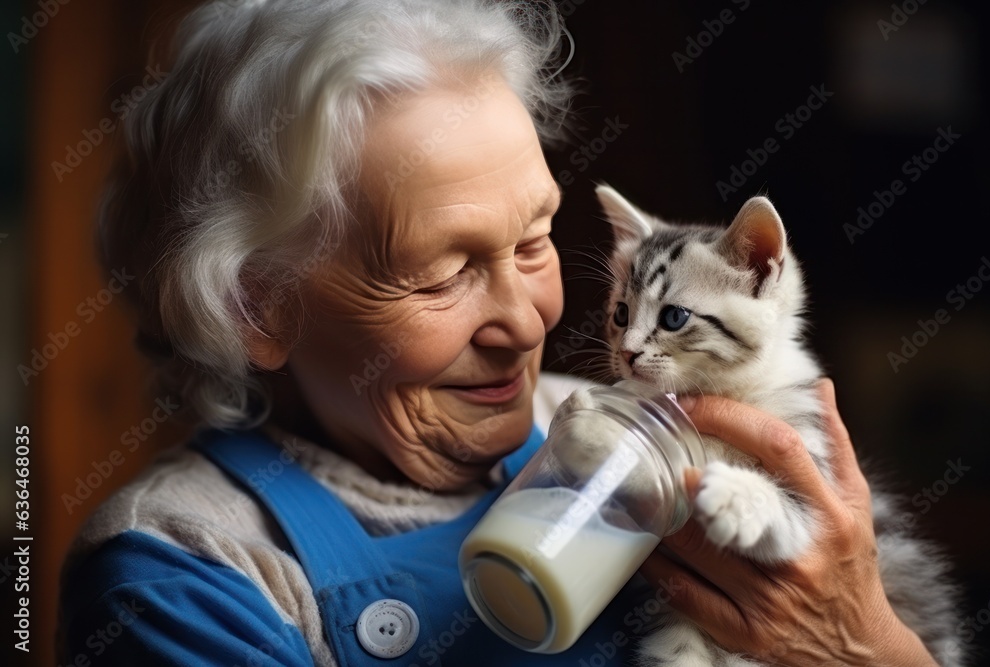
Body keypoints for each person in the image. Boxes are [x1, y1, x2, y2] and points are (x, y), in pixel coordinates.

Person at [58, 0, 942, 665]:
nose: (530, 322)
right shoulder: (182, 573)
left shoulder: (645, 424)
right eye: (441, 271)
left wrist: (865, 641)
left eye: (533, 241)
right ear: (259, 307)